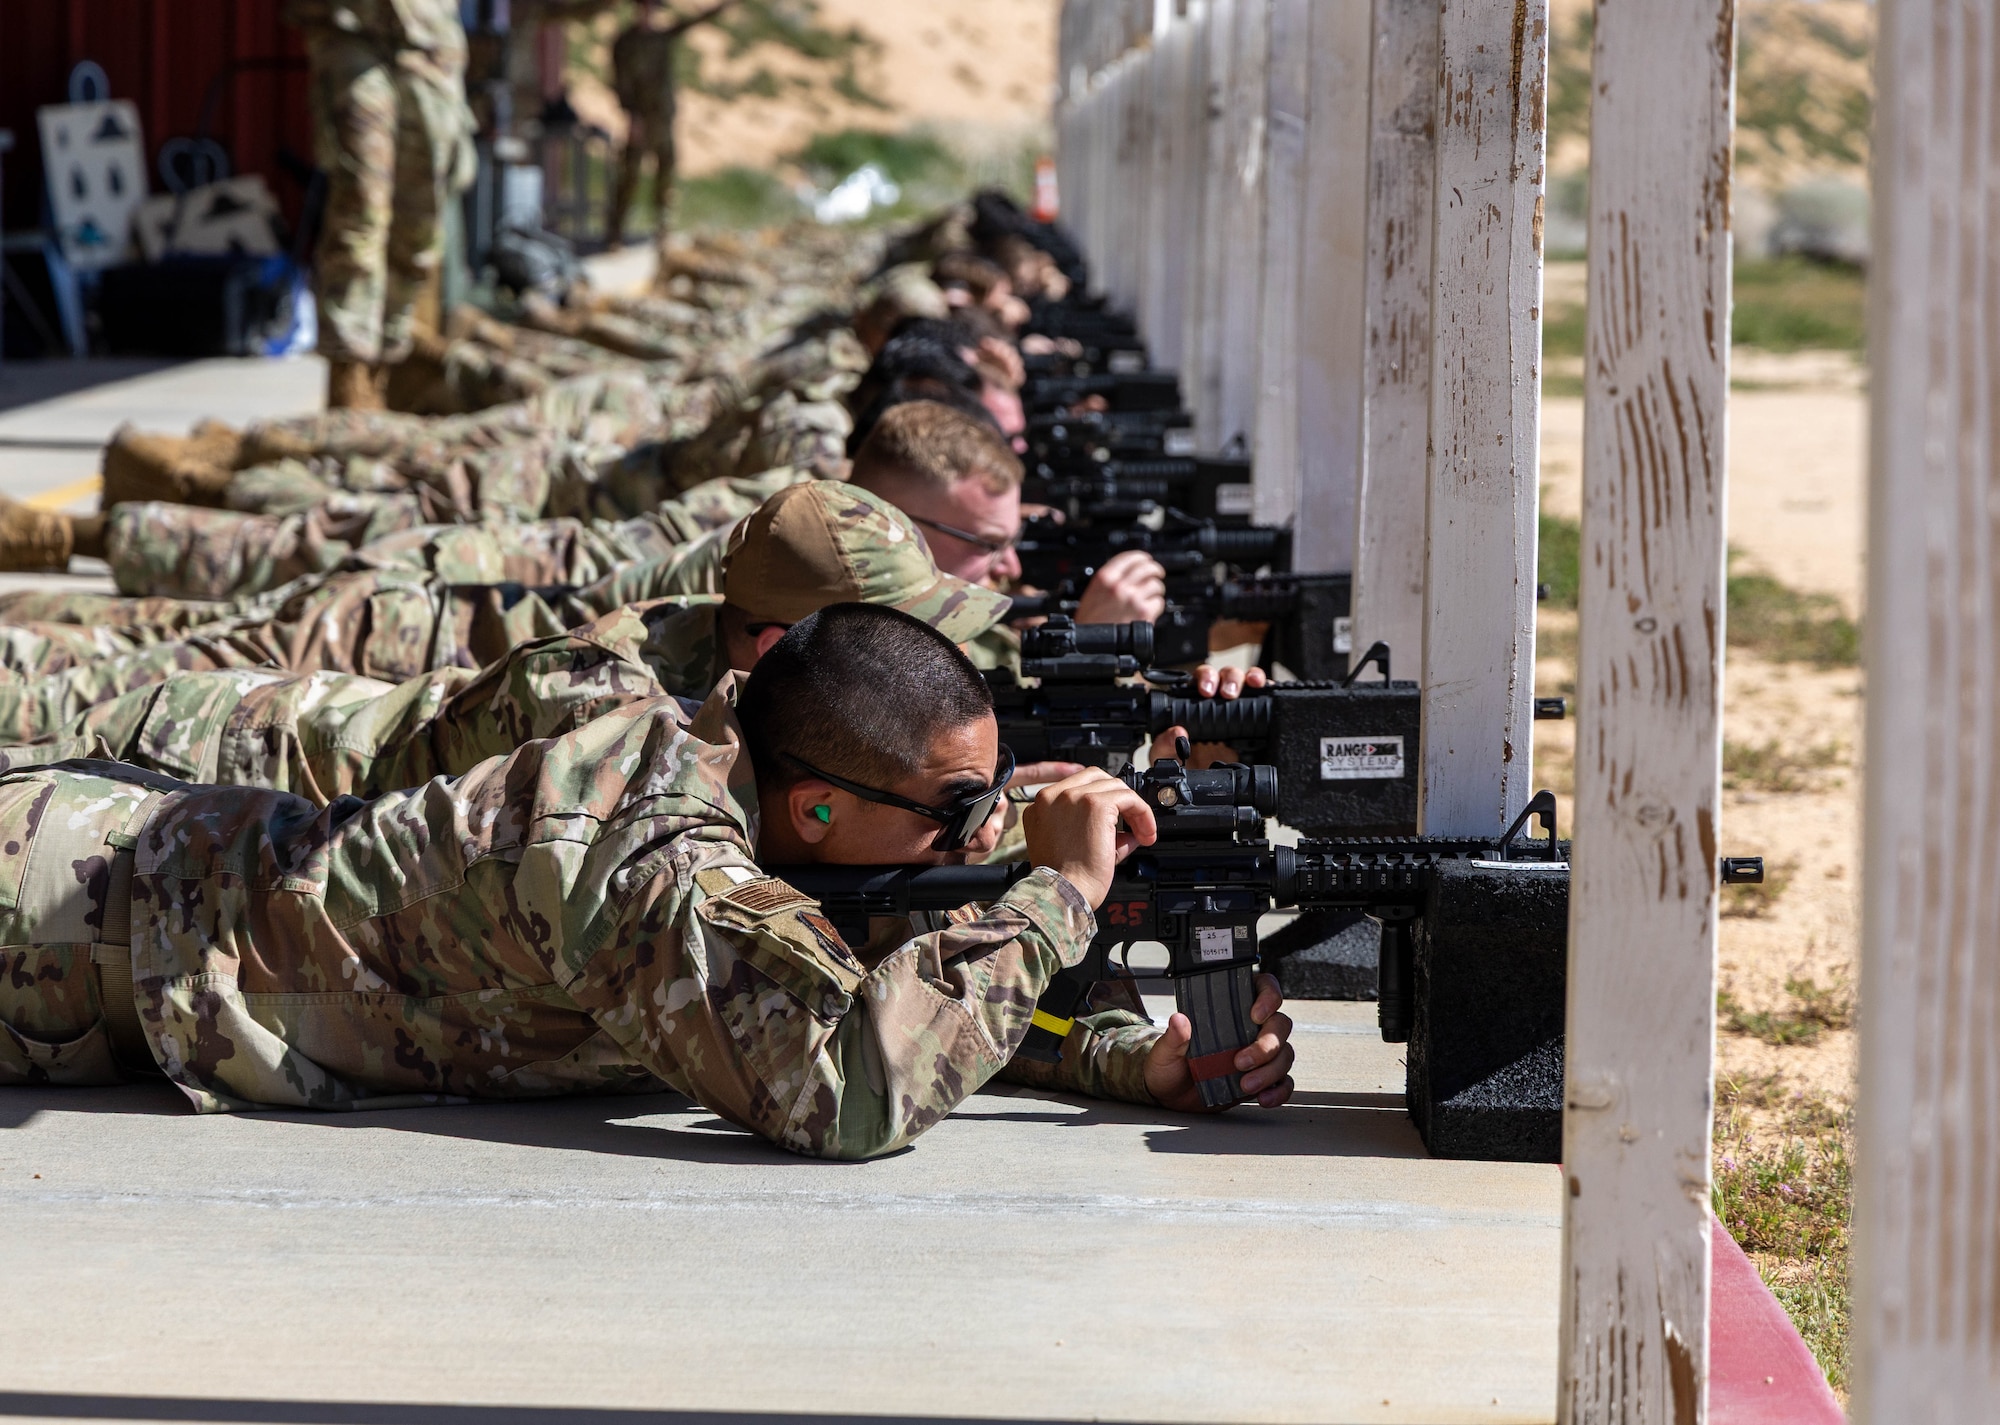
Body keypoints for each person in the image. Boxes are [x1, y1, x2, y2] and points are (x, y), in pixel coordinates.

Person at [0, 603, 1295, 1157]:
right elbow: (846, 1081)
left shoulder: (790, 805)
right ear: (818, 806)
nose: (976, 841)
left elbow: (890, 980)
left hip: (132, 929)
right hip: (61, 925)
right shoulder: (642, 842)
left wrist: (1133, 1057)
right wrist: (1055, 898)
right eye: (956, 810)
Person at [285, 0, 478, 411]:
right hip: (350, 28)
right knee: (361, 204)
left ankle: (392, 365)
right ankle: (348, 377)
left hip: (429, 38)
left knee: (421, 218)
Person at [609, 1, 741, 245]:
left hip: (663, 117)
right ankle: (615, 231)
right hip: (640, 118)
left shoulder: (661, 38)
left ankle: (662, 227)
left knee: (665, 171)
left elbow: (690, 23)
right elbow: (620, 83)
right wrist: (632, 116)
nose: (648, 13)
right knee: (630, 175)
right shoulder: (626, 43)